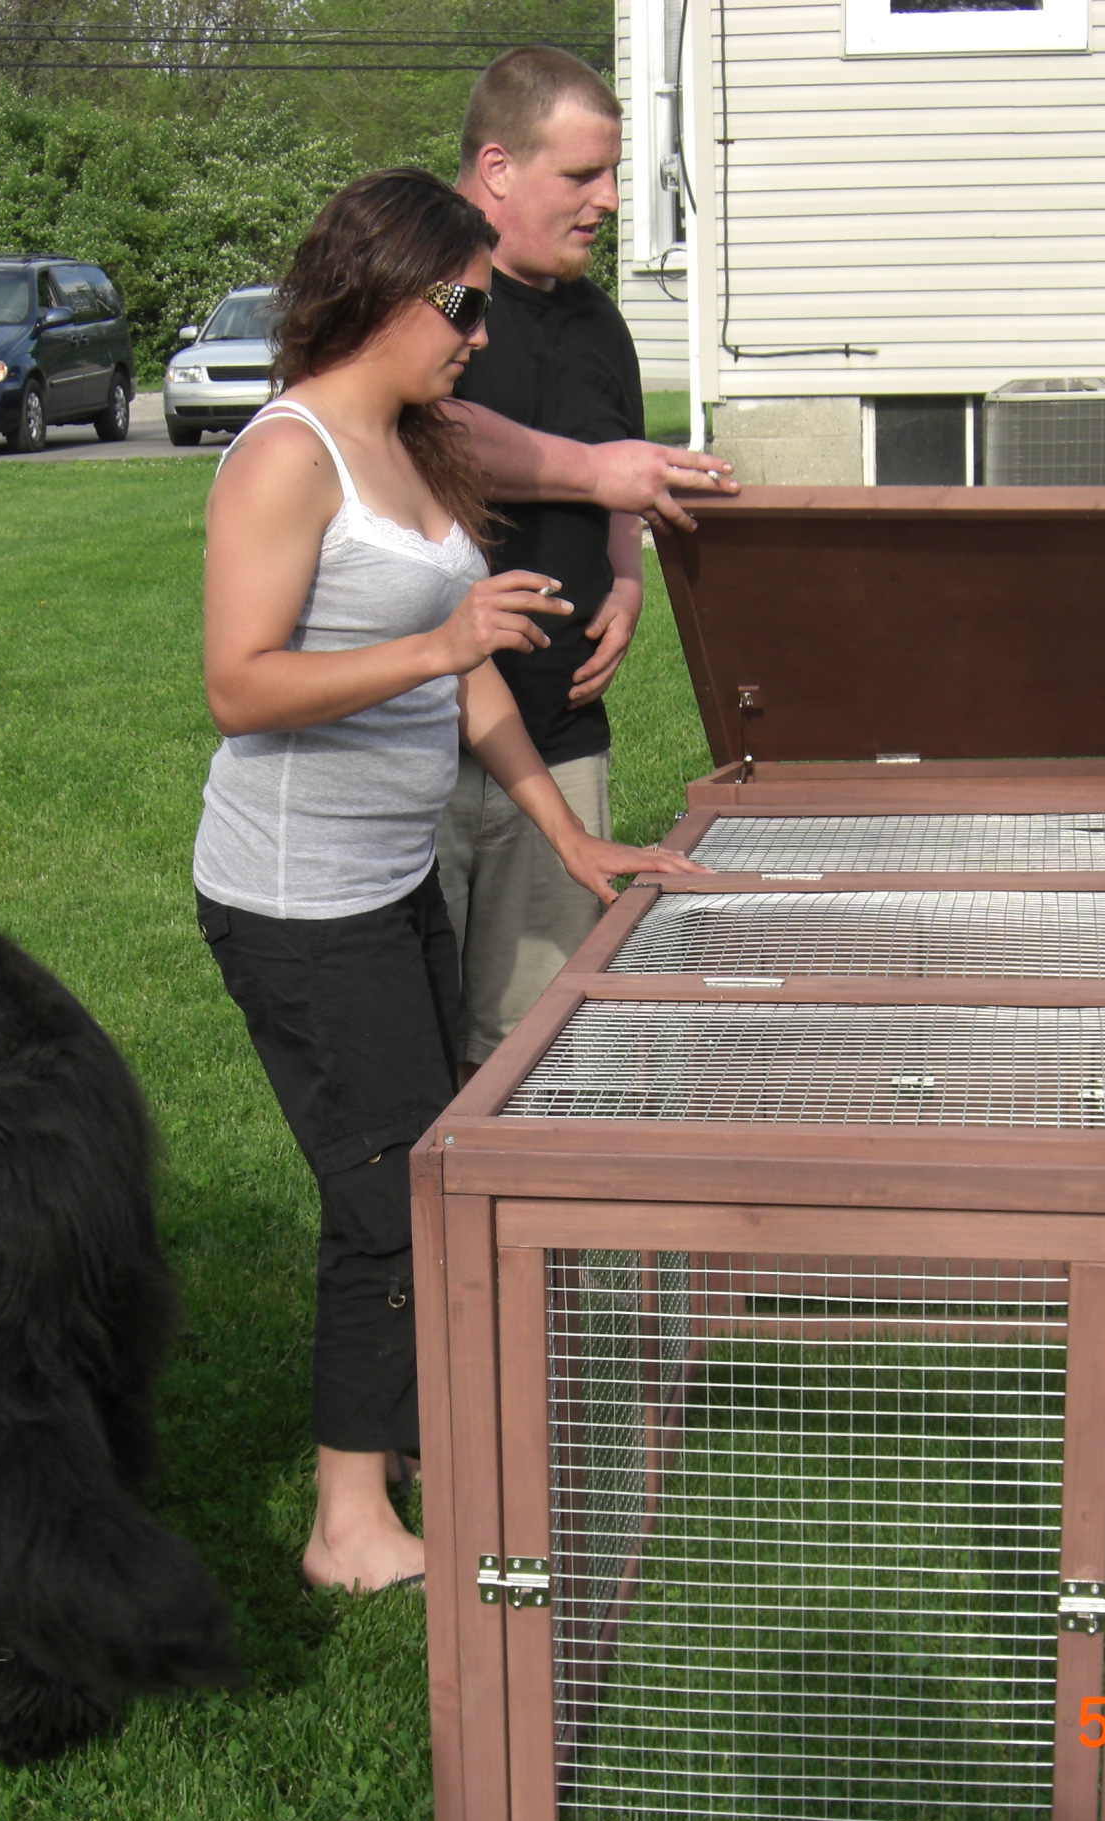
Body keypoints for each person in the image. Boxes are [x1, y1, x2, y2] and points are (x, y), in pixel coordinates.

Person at [192, 169, 706, 1595]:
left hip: (388, 879)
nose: (479, 336)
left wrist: (563, 833)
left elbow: (468, 668)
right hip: (294, 901)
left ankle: (407, 1436)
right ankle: (346, 1523)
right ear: (382, 292)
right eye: (462, 308)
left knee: (421, 1165)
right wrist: (440, 643)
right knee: (384, 1201)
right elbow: (240, 686)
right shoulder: (287, 456)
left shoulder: (415, 443)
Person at [436, 47, 656, 1080]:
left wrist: (626, 576)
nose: (607, 200)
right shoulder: (436, 290)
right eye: (581, 175)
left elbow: (625, 462)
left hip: (560, 736)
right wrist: (595, 470)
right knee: (414, 1050)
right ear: (497, 168)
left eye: (611, 174)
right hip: (424, 745)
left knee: (541, 1050)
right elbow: (425, 428)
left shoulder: (598, 320)